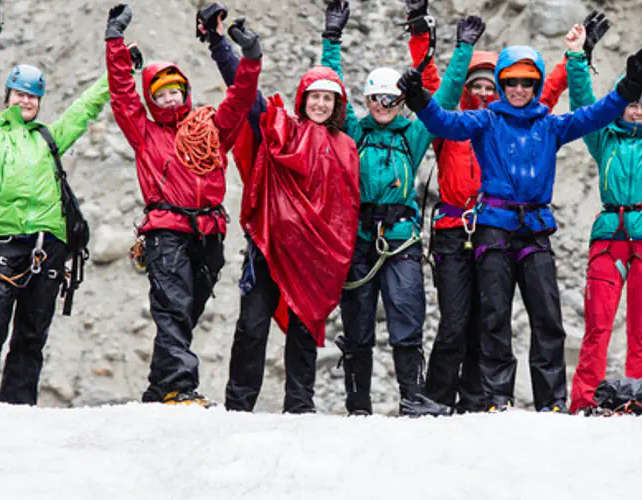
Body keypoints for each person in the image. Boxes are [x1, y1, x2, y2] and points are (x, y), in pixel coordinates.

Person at [403, 32, 642, 413]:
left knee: (548, 317)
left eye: (527, 81)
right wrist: (419, 100)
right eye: (511, 81)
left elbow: (599, 113)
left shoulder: (550, 125)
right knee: (494, 317)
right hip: (494, 226)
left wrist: (629, 86)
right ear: (502, 83)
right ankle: (496, 399)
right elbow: (444, 124)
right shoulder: (485, 120)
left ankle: (552, 402)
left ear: (537, 83)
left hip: (536, 228)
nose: (519, 88)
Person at [412, 10, 571, 414]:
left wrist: (574, 58)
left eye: (489, 86)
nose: (483, 92)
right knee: (454, 322)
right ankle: (436, 399)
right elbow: (436, 91)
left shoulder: (506, 121)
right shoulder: (459, 125)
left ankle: (477, 399)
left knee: (488, 318)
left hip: (493, 228)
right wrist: (426, 39)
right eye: (476, 86)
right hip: (454, 227)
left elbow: (543, 95)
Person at [104, 4, 261, 408]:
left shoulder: (210, 128)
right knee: (172, 308)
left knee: (186, 311)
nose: (170, 97)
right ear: (152, 99)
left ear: (187, 92)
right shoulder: (143, 131)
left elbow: (241, 100)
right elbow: (122, 92)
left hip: (209, 233)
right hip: (166, 232)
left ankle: (159, 389)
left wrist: (251, 59)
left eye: (175, 90)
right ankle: (178, 387)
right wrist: (114, 42)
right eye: (161, 92)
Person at [0, 22, 113, 405]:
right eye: (19, 94)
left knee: (31, 334)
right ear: (7, 95)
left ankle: (18, 410)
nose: (25, 101)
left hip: (48, 245)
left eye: (32, 96)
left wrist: (118, 70)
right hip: (5, 243)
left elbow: (85, 107)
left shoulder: (49, 139)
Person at [220, 12, 363, 414]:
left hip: (317, 256)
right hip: (270, 244)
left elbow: (346, 207)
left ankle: (300, 404)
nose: (320, 103)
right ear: (303, 98)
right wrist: (232, 52)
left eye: (327, 97)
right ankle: (238, 403)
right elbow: (245, 97)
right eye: (314, 96)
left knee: (305, 328)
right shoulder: (282, 128)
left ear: (337, 104)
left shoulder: (346, 147)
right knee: (252, 324)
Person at [323, 0, 452, 417]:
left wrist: (459, 50)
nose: (383, 104)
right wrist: (332, 38)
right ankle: (358, 402)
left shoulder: (412, 136)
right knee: (357, 325)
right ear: (367, 99)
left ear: (401, 100)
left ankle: (411, 398)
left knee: (407, 316)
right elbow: (332, 88)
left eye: (391, 97)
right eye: (376, 97)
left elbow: (443, 99)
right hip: (359, 239)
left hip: (400, 241)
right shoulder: (354, 131)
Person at [562, 24, 642, 414]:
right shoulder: (603, 138)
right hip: (609, 237)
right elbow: (582, 103)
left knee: (640, 330)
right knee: (597, 326)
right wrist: (576, 58)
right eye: (632, 104)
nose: (638, 111)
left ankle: (639, 399)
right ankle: (583, 401)